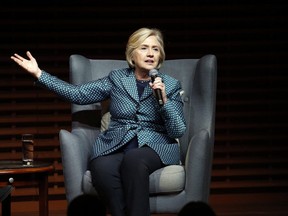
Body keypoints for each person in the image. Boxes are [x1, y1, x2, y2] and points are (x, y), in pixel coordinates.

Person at [11, 27, 186, 216]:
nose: (150, 53)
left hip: (154, 146)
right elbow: (77, 94)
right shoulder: (117, 79)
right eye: (144, 48)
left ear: (160, 56)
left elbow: (177, 130)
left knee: (134, 160)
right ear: (132, 54)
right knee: (101, 166)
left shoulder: (170, 84)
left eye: (155, 49)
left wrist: (164, 101)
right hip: (117, 144)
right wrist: (39, 74)